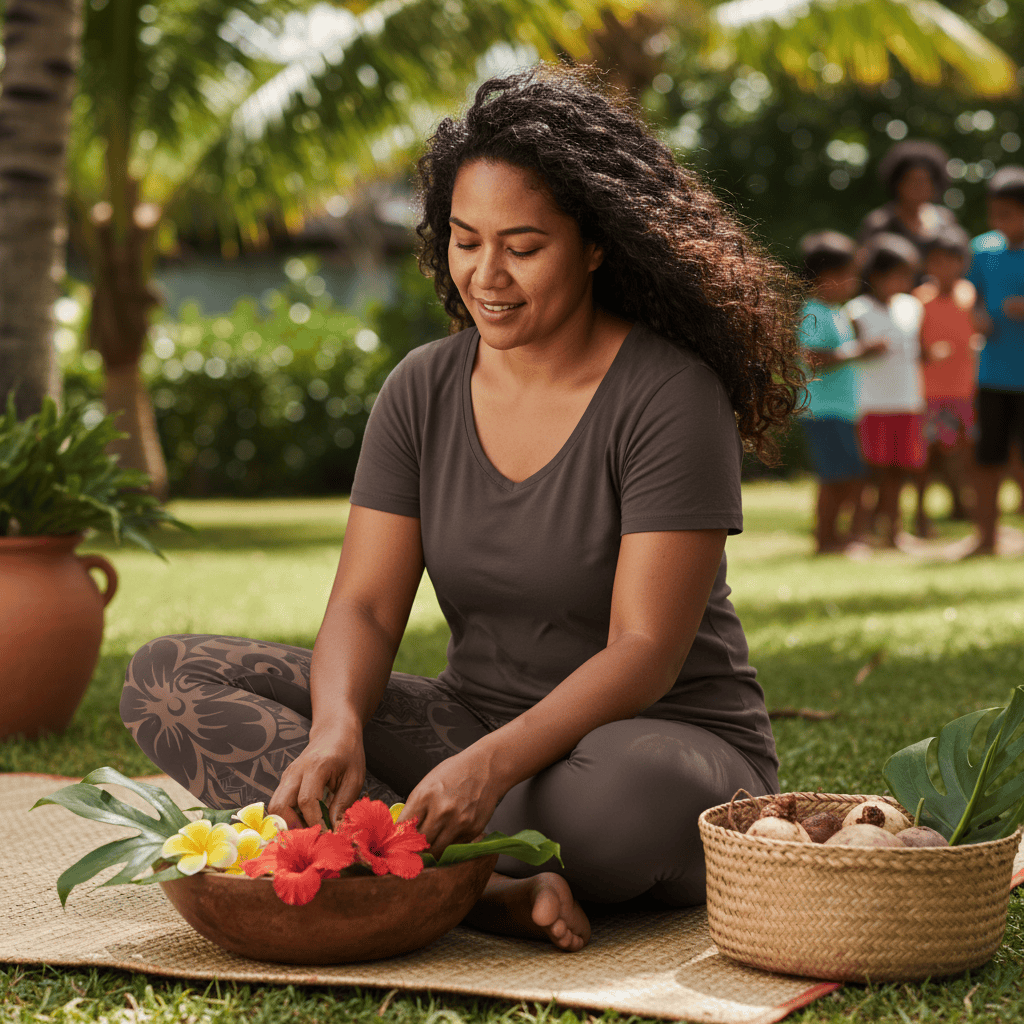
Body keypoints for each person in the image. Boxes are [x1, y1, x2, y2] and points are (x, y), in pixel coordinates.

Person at [119, 65, 805, 952]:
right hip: (467, 723)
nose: (488, 276)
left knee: (611, 804)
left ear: (597, 244)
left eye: (524, 246)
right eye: (465, 239)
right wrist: (336, 731)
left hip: (652, 744)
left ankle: (401, 849)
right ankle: (481, 885)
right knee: (169, 681)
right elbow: (365, 605)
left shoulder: (670, 393)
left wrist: (489, 767)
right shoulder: (422, 388)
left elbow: (644, 652)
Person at [796, 230, 886, 553]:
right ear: (825, 277)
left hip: (842, 408)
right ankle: (828, 540)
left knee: (844, 476)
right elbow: (813, 358)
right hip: (822, 409)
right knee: (839, 479)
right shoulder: (814, 311)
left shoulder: (838, 311)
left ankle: (837, 538)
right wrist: (859, 351)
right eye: (847, 275)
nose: (853, 282)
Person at [844, 233, 926, 547]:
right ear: (877, 276)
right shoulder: (856, 310)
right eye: (899, 274)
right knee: (867, 472)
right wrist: (865, 349)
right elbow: (846, 352)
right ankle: (858, 533)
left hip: (906, 402)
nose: (905, 281)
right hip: (871, 403)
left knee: (898, 471)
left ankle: (894, 533)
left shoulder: (912, 307)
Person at [964, 165, 1024, 556]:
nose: (998, 221)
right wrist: (976, 315)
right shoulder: (982, 251)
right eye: (994, 212)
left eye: (1008, 213)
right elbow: (970, 296)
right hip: (993, 375)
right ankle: (986, 537)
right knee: (988, 459)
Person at [911, 226, 979, 537]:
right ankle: (920, 516)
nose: (945, 267)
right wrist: (926, 353)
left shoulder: (971, 295)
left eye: (952, 260)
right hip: (929, 394)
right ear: (927, 264)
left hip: (964, 391)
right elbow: (909, 346)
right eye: (937, 261)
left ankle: (967, 509)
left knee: (966, 455)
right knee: (927, 458)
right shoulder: (918, 301)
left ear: (963, 262)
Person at [858, 140, 960, 263]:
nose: (918, 187)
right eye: (912, 180)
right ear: (897, 183)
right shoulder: (879, 223)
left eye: (925, 181)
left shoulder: (945, 220)